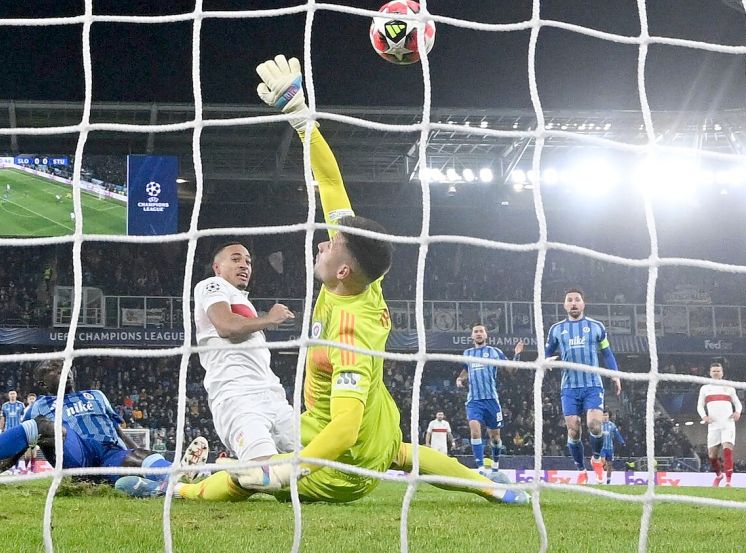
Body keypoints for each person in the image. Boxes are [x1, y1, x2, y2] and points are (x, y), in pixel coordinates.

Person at [117, 55, 527, 505]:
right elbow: (331, 182)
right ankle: (491, 487)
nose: (321, 245)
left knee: (255, 476)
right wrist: (299, 114)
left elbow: (345, 428)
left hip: (341, 465)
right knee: (406, 453)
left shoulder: (351, 327)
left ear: (343, 269)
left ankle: (178, 488)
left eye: (330, 246)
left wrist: (287, 472)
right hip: (375, 422)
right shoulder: (362, 280)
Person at [124, 240, 296, 498]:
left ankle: (195, 476)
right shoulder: (211, 286)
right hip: (237, 396)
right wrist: (269, 319)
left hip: (274, 396)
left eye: (248, 261)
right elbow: (226, 326)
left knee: (316, 464)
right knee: (264, 475)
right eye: (236, 259)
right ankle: (178, 488)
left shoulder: (243, 303)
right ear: (217, 267)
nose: (244, 265)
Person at [0, 361, 197, 488]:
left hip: (109, 454)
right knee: (45, 427)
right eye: (55, 368)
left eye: (66, 366)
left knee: (139, 456)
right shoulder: (39, 405)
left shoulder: (96, 395)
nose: (65, 370)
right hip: (76, 455)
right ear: (42, 384)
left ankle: (176, 482)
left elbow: (118, 430)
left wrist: (136, 453)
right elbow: (18, 444)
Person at [544, 287, 621, 483]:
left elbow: (607, 353)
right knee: (573, 430)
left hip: (593, 384)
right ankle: (580, 470)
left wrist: (615, 376)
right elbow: (546, 354)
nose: (574, 303)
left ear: (583, 303)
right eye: (569, 300)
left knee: (595, 426)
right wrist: (546, 362)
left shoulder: (596, 327)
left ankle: (596, 459)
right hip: (569, 387)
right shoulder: (556, 329)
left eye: (577, 299)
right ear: (565, 305)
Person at [455, 324, 523, 473]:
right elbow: (466, 371)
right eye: (475, 332)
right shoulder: (467, 353)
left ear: (486, 335)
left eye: (481, 331)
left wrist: (517, 354)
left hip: (491, 400)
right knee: (474, 430)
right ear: (472, 336)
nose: (478, 334)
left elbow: (511, 370)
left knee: (495, 437)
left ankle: (496, 465)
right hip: (474, 401)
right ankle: (480, 468)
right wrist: (460, 379)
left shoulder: (494, 352)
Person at [696, 361, 742, 487]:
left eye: (718, 371)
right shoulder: (705, 389)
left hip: (728, 424)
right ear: (710, 373)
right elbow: (700, 406)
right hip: (713, 426)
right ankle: (719, 475)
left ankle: (728, 481)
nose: (716, 373)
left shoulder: (729, 387)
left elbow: (738, 403)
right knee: (712, 456)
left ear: (722, 373)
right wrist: (704, 416)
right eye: (714, 371)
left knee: (727, 450)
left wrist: (737, 412)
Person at [599, 410, 625, 485]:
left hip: (610, 448)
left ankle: (608, 480)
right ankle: (600, 476)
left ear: (608, 416)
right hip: (602, 448)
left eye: (606, 415)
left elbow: (617, 434)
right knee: (603, 461)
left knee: (609, 465)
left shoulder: (612, 425)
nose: (605, 417)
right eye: (603, 415)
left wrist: (622, 442)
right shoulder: (599, 425)